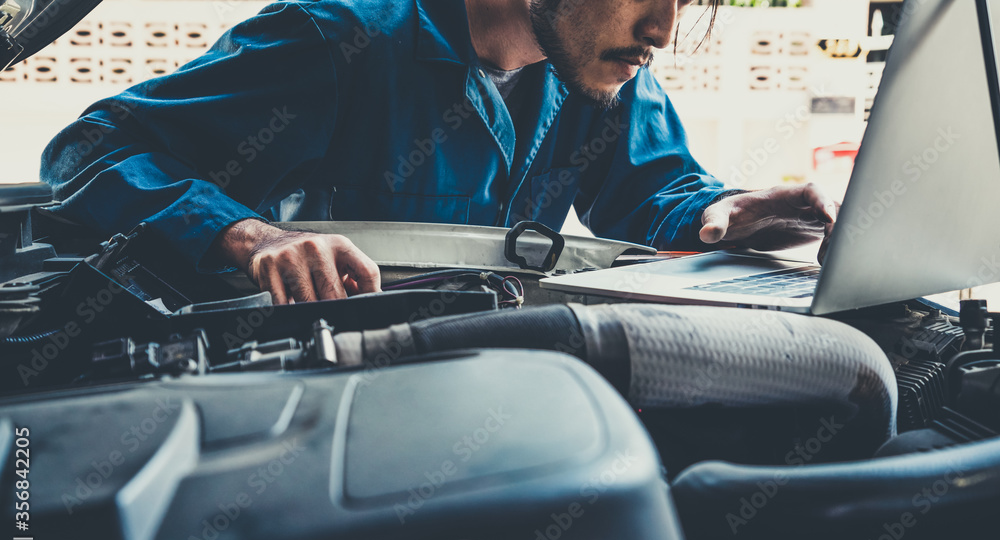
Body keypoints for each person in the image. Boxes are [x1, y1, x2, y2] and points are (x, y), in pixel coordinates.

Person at [41, 0, 838, 304]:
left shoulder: (604, 77)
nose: (663, 30)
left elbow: (652, 195)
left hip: (504, 381)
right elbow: (88, 149)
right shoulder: (337, 39)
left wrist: (724, 213)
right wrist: (251, 235)